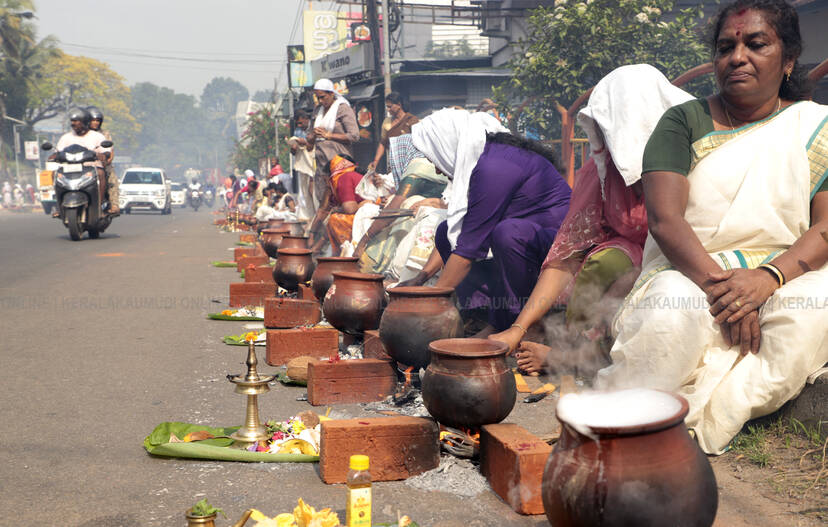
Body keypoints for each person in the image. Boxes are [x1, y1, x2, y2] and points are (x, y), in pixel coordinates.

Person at [595, 0, 828, 455]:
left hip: (784, 272)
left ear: (789, 59)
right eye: (725, 48)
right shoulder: (682, 121)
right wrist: (732, 296)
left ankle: (710, 415)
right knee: (671, 313)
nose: (737, 57)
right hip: (693, 272)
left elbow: (824, 228)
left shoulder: (816, 126)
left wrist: (767, 279)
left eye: (756, 44)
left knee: (816, 305)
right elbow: (666, 220)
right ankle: (638, 414)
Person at [489, 64, 692, 375]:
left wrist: (638, 276)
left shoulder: (691, 157)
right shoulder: (601, 171)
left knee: (630, 278)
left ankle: (576, 357)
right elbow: (566, 258)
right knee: (605, 262)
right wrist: (518, 328)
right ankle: (573, 347)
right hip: (625, 257)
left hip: (685, 261)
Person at [404, 108, 572, 334]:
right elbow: (459, 235)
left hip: (559, 246)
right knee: (445, 230)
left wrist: (430, 305)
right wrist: (421, 278)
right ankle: (480, 315)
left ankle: (514, 325)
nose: (437, 169)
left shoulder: (494, 167)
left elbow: (467, 251)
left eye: (434, 159)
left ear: (446, 146)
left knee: (508, 233)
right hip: (525, 242)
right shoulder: (479, 164)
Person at [354, 134, 450, 277]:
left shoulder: (418, 167)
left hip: (417, 221)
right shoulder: (444, 164)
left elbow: (395, 208)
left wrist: (363, 241)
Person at [305, 79, 359, 249]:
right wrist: (313, 136)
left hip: (340, 166)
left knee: (339, 205)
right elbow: (309, 140)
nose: (320, 101)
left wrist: (329, 135)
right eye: (318, 97)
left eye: (323, 97)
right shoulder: (317, 111)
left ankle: (339, 244)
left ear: (331, 94)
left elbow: (354, 135)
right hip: (322, 166)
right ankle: (321, 243)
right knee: (323, 204)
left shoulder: (342, 109)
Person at [54, 109, 112, 215]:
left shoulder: (97, 136)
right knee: (55, 174)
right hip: (69, 169)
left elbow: (106, 151)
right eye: (72, 121)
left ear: (85, 122)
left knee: (101, 173)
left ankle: (99, 204)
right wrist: (54, 156)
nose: (73, 124)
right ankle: (59, 206)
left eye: (77, 121)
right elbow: (58, 151)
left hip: (91, 167)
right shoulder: (66, 137)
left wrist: (103, 155)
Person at [322, 155, 366, 255]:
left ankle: (349, 254)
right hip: (371, 214)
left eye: (325, 180)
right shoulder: (353, 175)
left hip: (370, 217)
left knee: (335, 219)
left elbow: (350, 208)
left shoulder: (344, 177)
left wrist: (338, 210)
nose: (326, 184)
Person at [367, 92, 419, 176]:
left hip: (410, 163)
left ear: (399, 105)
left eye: (390, 106)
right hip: (393, 163)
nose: (388, 109)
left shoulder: (412, 120)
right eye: (387, 107)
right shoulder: (387, 122)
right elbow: (383, 143)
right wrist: (375, 161)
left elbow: (418, 142)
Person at [87, 106, 119, 214]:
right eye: (93, 120)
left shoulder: (104, 134)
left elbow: (110, 152)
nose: (95, 123)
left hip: (100, 163)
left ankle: (114, 204)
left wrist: (106, 161)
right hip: (83, 164)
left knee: (111, 176)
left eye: (97, 120)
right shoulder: (81, 134)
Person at [288, 109, 317, 221]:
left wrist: (305, 142)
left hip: (313, 163)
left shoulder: (314, 128)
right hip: (302, 164)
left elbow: (312, 146)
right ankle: (308, 215)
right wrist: (294, 148)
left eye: (301, 123)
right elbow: (293, 152)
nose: (299, 126)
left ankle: (317, 213)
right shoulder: (297, 131)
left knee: (312, 189)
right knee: (304, 191)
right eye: (298, 124)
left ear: (306, 119)